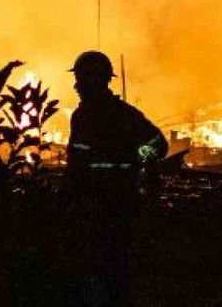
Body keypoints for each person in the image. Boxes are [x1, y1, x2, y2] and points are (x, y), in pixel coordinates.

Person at [65, 50, 167, 307]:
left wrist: (138, 156)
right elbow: (77, 165)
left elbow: (159, 144)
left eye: (81, 79)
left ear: (95, 80)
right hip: (107, 207)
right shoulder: (108, 114)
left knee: (107, 275)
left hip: (109, 207)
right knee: (108, 275)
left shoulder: (104, 116)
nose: (76, 86)